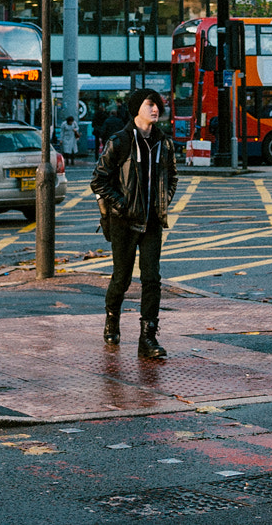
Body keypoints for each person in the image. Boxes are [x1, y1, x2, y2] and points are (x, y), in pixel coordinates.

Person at [90, 87, 177, 359]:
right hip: (124, 222)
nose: (156, 110)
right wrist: (123, 205)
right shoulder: (120, 141)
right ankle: (112, 317)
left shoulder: (164, 142)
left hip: (152, 221)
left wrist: (163, 201)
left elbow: (172, 177)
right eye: (151, 104)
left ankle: (148, 337)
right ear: (137, 107)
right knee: (122, 278)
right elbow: (99, 179)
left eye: (158, 106)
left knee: (152, 278)